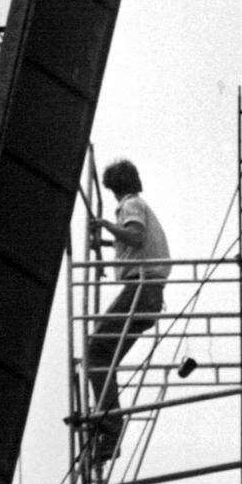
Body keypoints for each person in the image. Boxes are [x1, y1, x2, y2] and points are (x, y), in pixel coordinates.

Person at [86, 160, 171, 467]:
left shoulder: (130, 205)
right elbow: (135, 242)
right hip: (149, 294)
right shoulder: (140, 204)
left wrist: (107, 226)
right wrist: (109, 238)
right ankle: (109, 430)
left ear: (115, 188)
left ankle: (110, 429)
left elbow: (135, 236)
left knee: (95, 352)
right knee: (104, 358)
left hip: (141, 289)